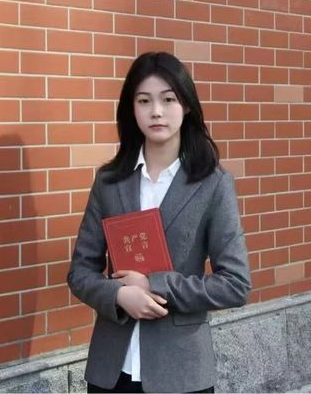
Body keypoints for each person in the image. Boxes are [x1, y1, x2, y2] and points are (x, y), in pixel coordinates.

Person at [67, 51, 251, 393]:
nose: (156, 111)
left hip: (180, 374)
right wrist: (119, 295)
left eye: (168, 99)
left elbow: (235, 284)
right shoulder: (109, 182)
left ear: (186, 105)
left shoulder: (212, 184)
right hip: (111, 372)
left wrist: (155, 286)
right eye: (144, 100)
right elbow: (80, 273)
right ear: (131, 109)